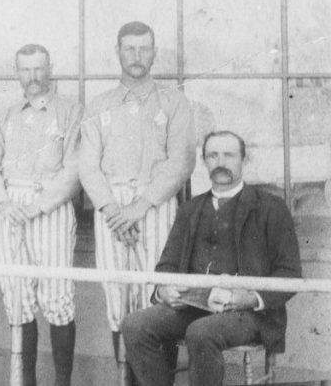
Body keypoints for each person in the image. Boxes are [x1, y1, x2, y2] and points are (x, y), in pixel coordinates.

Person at [122, 131, 301, 386]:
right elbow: (167, 265)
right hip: (193, 307)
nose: (221, 162)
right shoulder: (190, 209)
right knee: (135, 325)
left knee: (201, 332)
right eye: (213, 155)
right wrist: (164, 289)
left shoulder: (271, 208)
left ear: (244, 160)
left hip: (249, 313)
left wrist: (247, 297)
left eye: (229, 155)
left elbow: (290, 273)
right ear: (204, 161)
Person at [79, 21, 195, 366]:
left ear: (154, 53)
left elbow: (182, 161)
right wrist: (114, 210)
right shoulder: (99, 105)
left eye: (144, 48)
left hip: (154, 205)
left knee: (157, 294)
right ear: (117, 52)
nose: (136, 55)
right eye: (129, 48)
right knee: (117, 293)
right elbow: (87, 166)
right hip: (111, 208)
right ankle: (122, 377)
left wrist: (139, 206)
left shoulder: (174, 101)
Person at [0, 44, 81, 386]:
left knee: (57, 298)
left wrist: (39, 205)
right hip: (10, 207)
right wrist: (2, 202)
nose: (33, 77)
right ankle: (24, 381)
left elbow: (75, 167)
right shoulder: (7, 113)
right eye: (26, 70)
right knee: (18, 297)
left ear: (49, 68)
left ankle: (62, 382)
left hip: (48, 206)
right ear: (16, 72)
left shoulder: (69, 110)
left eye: (39, 69)